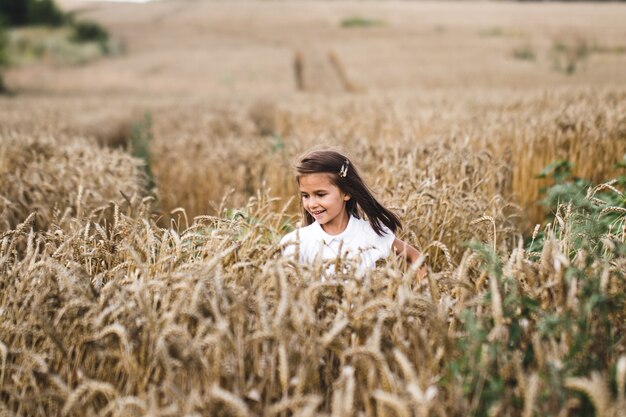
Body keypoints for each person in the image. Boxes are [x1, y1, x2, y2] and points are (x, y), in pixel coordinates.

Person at [280, 149, 426, 279]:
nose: (311, 204)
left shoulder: (370, 234)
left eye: (320, 194)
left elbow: (415, 258)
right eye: (305, 196)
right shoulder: (297, 242)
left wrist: (425, 296)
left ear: (346, 192)